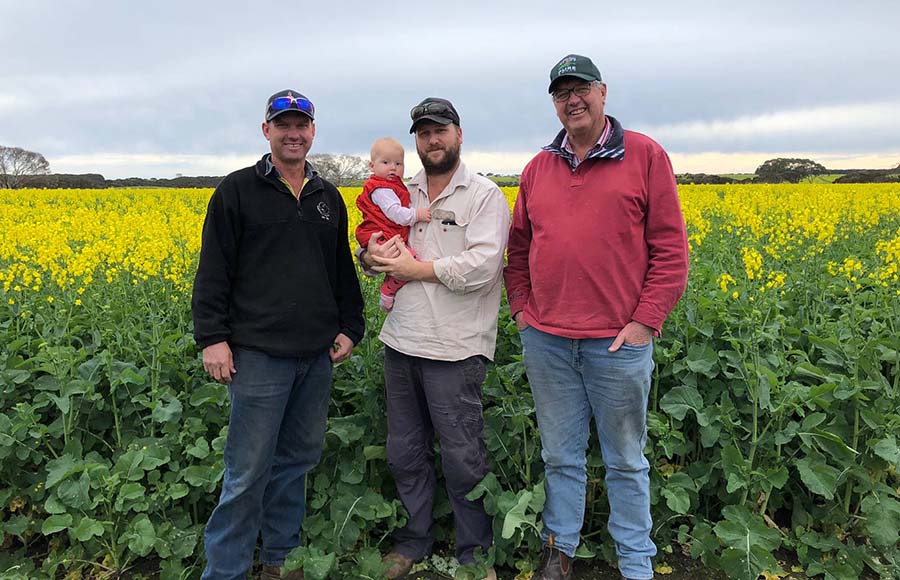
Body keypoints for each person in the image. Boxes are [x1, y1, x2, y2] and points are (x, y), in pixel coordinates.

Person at [503, 55, 689, 580]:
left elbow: (671, 251)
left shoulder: (646, 156)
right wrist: (522, 312)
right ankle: (560, 551)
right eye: (561, 93)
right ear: (555, 103)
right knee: (559, 456)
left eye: (581, 88)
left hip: (617, 344)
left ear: (603, 92)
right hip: (548, 341)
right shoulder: (539, 167)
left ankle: (635, 562)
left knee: (626, 459)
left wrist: (646, 322)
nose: (572, 100)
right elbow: (518, 250)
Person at [191, 89, 365, 580]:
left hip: (315, 355)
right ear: (266, 131)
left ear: (313, 132)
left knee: (296, 461)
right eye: (283, 125)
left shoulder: (327, 197)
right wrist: (212, 338)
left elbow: (339, 273)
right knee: (247, 472)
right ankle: (225, 571)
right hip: (258, 356)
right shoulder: (237, 190)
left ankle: (278, 561)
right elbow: (214, 270)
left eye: (301, 126)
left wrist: (351, 327)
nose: (293, 134)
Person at [360, 97, 510, 580]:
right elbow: (371, 245)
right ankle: (413, 541)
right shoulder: (398, 191)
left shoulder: (483, 195)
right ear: (416, 141)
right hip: (402, 340)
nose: (432, 140)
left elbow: (483, 267)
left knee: (463, 454)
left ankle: (474, 555)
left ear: (459, 134)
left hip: (455, 345)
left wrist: (413, 269)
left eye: (440, 130)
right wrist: (371, 257)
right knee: (405, 450)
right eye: (423, 133)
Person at [355, 137, 432, 311]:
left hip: (388, 236)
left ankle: (389, 290)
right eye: (386, 162)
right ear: (371, 166)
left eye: (399, 164)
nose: (393, 168)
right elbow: (397, 213)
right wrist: (417, 214)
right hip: (383, 237)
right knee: (409, 263)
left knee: (403, 264)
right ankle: (387, 292)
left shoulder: (395, 186)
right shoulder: (382, 189)